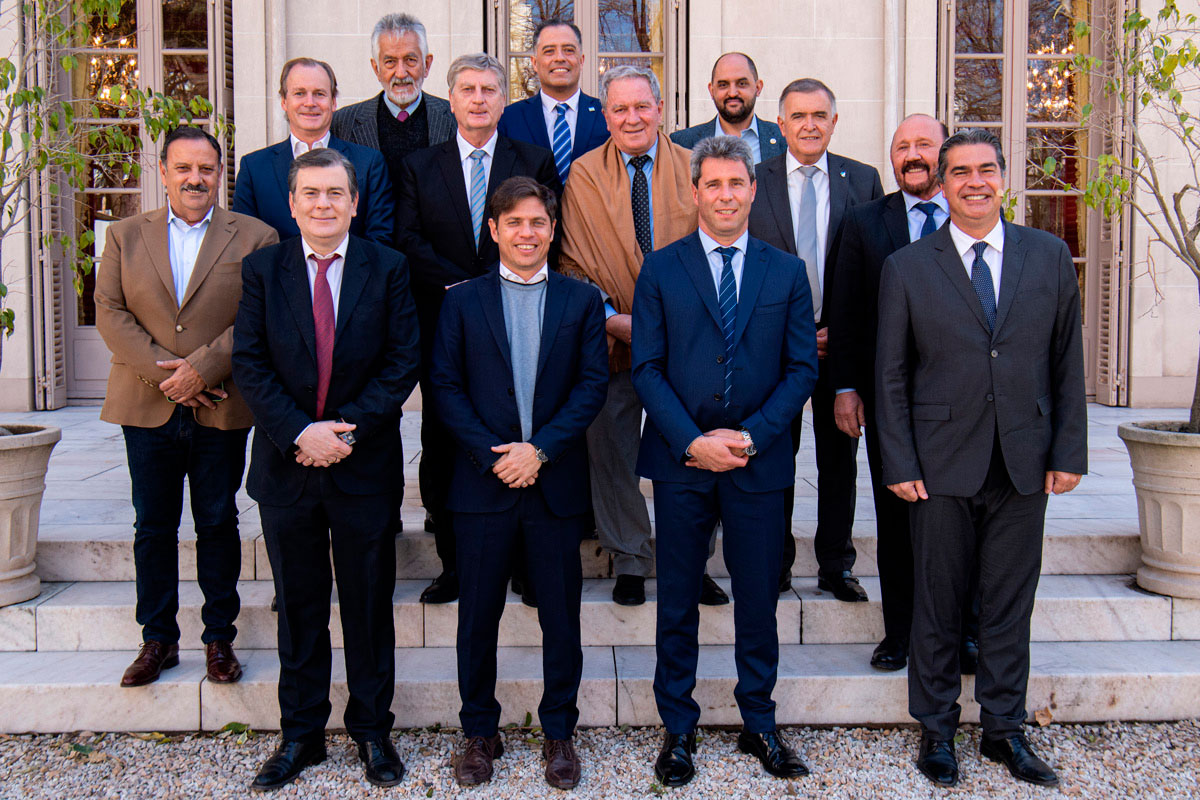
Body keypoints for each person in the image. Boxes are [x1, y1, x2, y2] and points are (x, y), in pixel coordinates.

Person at [875, 128, 1086, 788]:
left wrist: (1069, 450)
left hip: (1024, 461)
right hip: (939, 465)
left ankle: (1003, 730)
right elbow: (891, 375)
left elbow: (1066, 361)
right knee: (937, 605)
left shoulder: (1049, 256)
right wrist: (899, 462)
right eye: (960, 172)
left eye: (986, 169)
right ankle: (937, 731)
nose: (975, 182)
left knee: (1008, 606)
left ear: (1003, 177)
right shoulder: (908, 267)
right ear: (942, 185)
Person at [632, 135, 818, 787]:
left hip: (757, 464)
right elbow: (646, 368)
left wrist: (751, 437)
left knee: (758, 599)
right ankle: (677, 728)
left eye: (736, 183)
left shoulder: (786, 272)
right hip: (681, 462)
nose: (725, 195)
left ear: (753, 189)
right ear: (695, 192)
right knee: (678, 599)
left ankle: (759, 722)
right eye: (713, 184)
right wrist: (693, 441)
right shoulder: (661, 268)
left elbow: (802, 369)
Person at [232, 148, 420, 792]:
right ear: (291, 204)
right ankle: (301, 734)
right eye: (310, 193)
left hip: (362, 467)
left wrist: (345, 430)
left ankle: (372, 731)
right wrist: (299, 433)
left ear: (355, 202)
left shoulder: (387, 267)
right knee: (300, 608)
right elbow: (250, 361)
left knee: (368, 607)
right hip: (287, 468)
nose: (323, 204)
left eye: (336, 193)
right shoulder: (262, 270)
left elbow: (402, 361)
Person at [430, 176, 608, 790]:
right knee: (477, 618)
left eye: (537, 222)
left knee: (560, 618)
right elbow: (444, 386)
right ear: (494, 230)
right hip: (483, 487)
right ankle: (479, 732)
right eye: (514, 223)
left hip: (553, 485)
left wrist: (541, 450)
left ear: (552, 230)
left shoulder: (581, 301)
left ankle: (559, 732)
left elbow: (591, 386)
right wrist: (496, 456)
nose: (526, 233)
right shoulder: (461, 301)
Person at [94, 126, 277, 689]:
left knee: (218, 520)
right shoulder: (125, 235)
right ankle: (158, 639)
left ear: (220, 174)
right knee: (152, 524)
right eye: (183, 168)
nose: (195, 178)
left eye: (206, 168)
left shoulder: (255, 236)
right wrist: (170, 377)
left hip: (221, 403)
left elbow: (257, 316)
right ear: (164, 171)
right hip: (145, 403)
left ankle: (219, 637)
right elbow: (109, 310)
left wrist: (204, 369)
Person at [395, 52, 560, 605]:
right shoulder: (420, 165)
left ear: (503, 98)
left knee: (519, 429)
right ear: (451, 98)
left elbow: (541, 234)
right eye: (467, 89)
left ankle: (525, 564)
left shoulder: (532, 160)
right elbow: (407, 239)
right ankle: (454, 565)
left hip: (520, 320)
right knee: (444, 438)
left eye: (489, 89)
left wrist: (493, 287)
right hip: (443, 321)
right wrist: (465, 289)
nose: (479, 99)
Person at [560, 64, 726, 608]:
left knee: (693, 450)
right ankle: (630, 556)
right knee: (610, 448)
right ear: (605, 116)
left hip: (690, 343)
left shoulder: (695, 165)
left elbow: (717, 246)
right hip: (613, 338)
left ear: (660, 109)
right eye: (619, 109)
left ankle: (691, 560)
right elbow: (572, 262)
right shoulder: (584, 174)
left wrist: (677, 323)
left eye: (641, 106)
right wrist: (612, 317)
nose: (632, 118)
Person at [829, 114, 979, 672]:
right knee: (897, 520)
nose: (912, 155)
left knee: (963, 521)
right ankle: (900, 634)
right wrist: (846, 387)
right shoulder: (864, 222)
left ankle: (964, 634)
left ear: (946, 153)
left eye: (924, 144)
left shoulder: (975, 219)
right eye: (901, 147)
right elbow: (845, 313)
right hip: (891, 401)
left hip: (964, 403)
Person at [747, 77, 883, 596]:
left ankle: (836, 564)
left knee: (839, 459)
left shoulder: (863, 180)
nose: (809, 125)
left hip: (840, 345)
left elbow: (873, 269)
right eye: (798, 116)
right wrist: (795, 331)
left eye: (819, 115)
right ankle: (775, 562)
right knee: (774, 455)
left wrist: (840, 334)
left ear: (834, 121)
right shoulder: (755, 178)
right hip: (774, 347)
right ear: (780, 124)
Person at [233, 58, 393, 244]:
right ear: (284, 101)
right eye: (299, 93)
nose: (310, 103)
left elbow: (380, 240)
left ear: (333, 102)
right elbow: (246, 242)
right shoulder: (254, 168)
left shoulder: (369, 163)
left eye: (319, 94)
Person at [330, 13, 455, 187]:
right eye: (390, 62)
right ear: (376, 68)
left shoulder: (455, 119)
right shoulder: (342, 123)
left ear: (427, 65)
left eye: (410, 60)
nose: (401, 73)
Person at [497, 18, 609, 186]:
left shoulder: (606, 115)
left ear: (581, 60)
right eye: (549, 51)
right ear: (535, 63)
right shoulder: (509, 119)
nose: (559, 58)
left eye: (568, 50)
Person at [669, 52, 785, 163]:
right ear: (711, 90)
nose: (732, 93)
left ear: (758, 88)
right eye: (723, 85)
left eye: (742, 84)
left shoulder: (784, 139)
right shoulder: (682, 143)